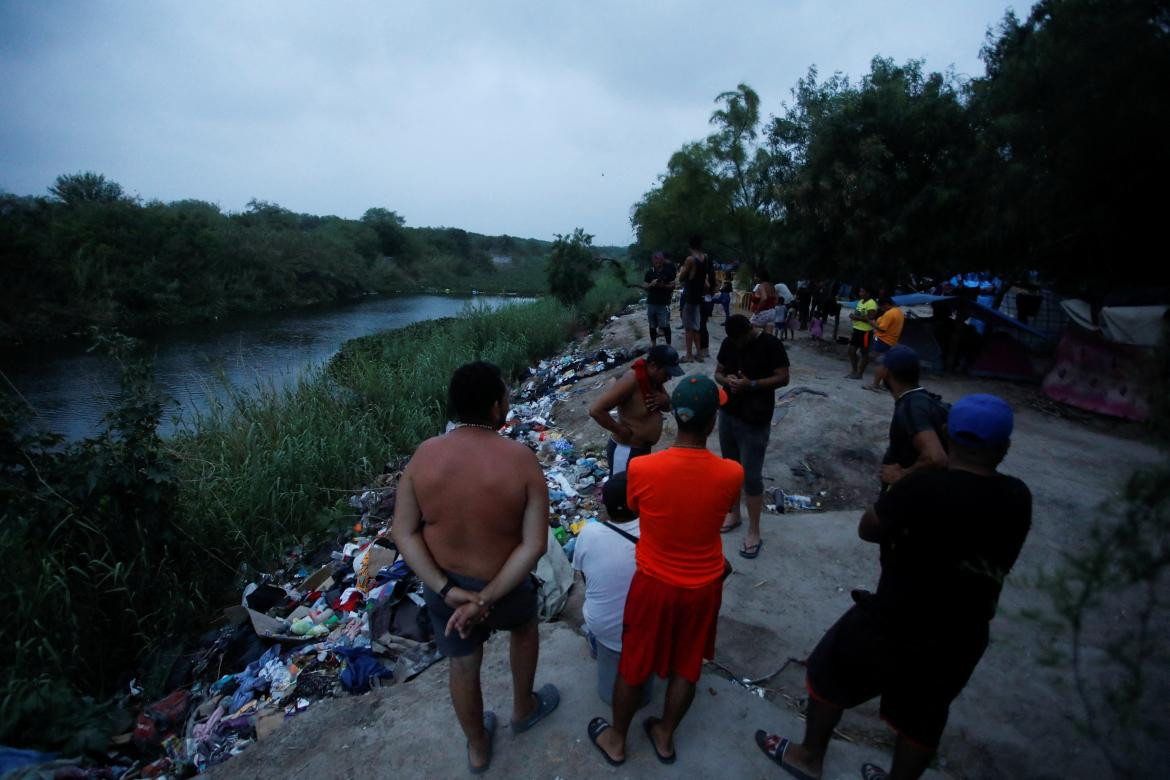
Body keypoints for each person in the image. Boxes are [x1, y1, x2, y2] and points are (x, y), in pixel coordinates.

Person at [754, 394, 1032, 780]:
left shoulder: (922, 488)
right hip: (961, 632)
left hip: (897, 616)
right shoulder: (1017, 497)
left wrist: (902, 480)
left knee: (828, 670)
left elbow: (868, 528)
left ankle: (808, 756)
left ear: (947, 434)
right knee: (924, 717)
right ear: (1004, 447)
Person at [391, 361, 559, 774]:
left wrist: (449, 591)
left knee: (463, 662)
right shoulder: (522, 462)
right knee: (523, 629)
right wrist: (486, 598)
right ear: (494, 406)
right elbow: (534, 544)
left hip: (446, 586)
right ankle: (524, 708)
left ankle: (478, 746)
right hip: (505, 585)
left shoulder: (424, 456)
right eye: (505, 396)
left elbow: (404, 533)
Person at [587, 375, 744, 767]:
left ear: (676, 418)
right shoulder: (732, 473)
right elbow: (722, 511)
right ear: (711, 423)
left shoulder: (644, 470)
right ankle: (665, 736)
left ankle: (617, 740)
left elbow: (637, 511)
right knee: (687, 665)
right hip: (704, 585)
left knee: (635, 661)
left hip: (655, 583)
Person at [571, 472, 651, 707]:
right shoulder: (656, 530)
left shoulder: (589, 533)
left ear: (605, 505)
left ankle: (598, 643)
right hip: (650, 629)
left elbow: (585, 578)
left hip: (603, 626)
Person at [714, 314, 790, 558]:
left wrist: (752, 385)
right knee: (730, 470)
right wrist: (728, 380)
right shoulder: (730, 343)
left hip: (755, 419)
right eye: (733, 341)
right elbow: (718, 373)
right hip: (728, 414)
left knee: (752, 476)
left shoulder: (771, 344)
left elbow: (783, 376)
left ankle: (754, 531)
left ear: (750, 330)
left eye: (740, 340)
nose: (738, 345)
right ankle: (734, 514)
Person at [589, 344, 684, 475]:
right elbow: (596, 410)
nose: (669, 377)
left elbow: (668, 407)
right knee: (621, 493)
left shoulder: (654, 381)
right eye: (667, 373)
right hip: (625, 450)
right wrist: (620, 430)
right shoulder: (631, 380)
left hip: (642, 450)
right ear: (653, 366)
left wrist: (665, 400)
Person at [878, 346, 948, 490]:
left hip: (914, 493)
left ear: (886, 373)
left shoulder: (911, 406)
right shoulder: (920, 399)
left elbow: (936, 458)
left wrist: (902, 475)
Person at [677, 236, 712, 362]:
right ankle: (700, 354)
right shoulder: (705, 258)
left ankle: (689, 356)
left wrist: (682, 271)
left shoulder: (690, 259)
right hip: (699, 297)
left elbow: (681, 278)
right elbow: (705, 280)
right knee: (697, 327)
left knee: (688, 328)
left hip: (689, 297)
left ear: (690, 246)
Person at [864, 297, 906, 391]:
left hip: (883, 340)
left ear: (887, 304)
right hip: (892, 341)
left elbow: (882, 328)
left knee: (880, 363)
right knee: (887, 363)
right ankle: (884, 384)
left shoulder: (889, 313)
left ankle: (875, 384)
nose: (881, 309)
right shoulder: (899, 312)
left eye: (882, 307)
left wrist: (870, 322)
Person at [642, 251, 676, 346]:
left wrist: (663, 285)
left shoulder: (668, 271)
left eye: (659, 261)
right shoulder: (649, 272)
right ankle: (653, 346)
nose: (657, 263)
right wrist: (651, 284)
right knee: (652, 326)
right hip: (651, 302)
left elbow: (673, 285)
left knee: (665, 325)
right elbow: (644, 287)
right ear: (652, 261)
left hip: (663, 303)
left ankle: (668, 345)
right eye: (655, 261)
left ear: (662, 261)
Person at [846, 285, 878, 379]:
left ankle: (860, 373)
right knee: (851, 351)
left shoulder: (871, 303)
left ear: (868, 293)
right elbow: (859, 314)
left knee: (864, 353)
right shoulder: (860, 302)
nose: (860, 293)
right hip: (857, 329)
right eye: (860, 292)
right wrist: (853, 316)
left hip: (866, 332)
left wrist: (856, 317)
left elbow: (871, 317)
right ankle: (854, 371)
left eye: (863, 291)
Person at [749, 269, 778, 334]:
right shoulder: (771, 286)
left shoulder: (761, 286)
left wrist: (758, 310)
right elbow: (776, 298)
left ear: (760, 277)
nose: (754, 278)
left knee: (749, 328)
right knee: (768, 333)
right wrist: (772, 307)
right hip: (772, 312)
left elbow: (764, 298)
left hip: (763, 311)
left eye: (755, 276)